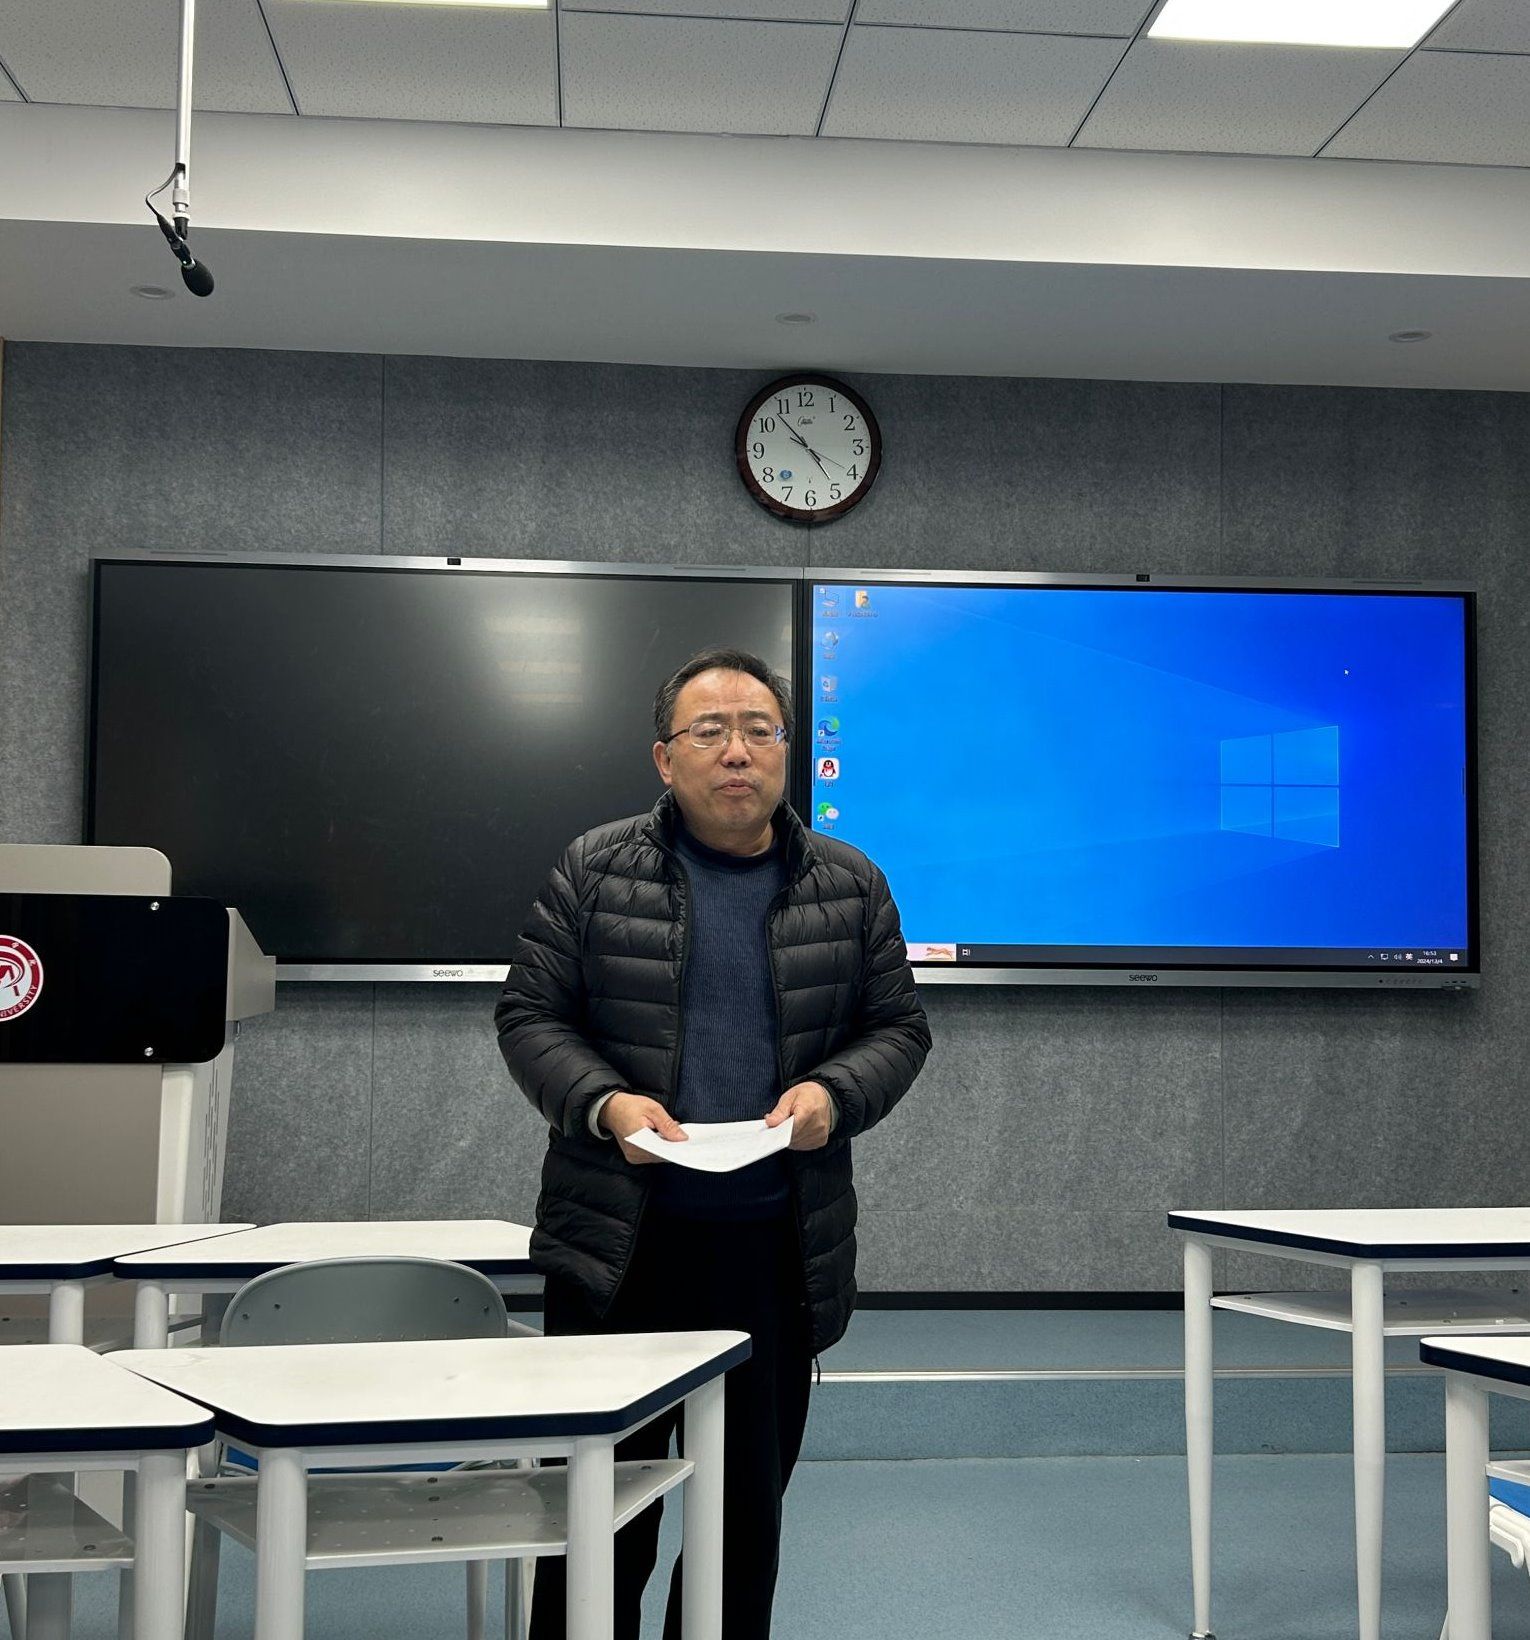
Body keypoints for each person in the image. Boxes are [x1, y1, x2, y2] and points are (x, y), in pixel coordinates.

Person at [494, 646, 930, 1640]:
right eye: (711, 731)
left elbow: (899, 1028)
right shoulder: (594, 867)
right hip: (619, 1249)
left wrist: (832, 1095)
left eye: (759, 730)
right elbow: (530, 1017)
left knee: (742, 1525)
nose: (738, 751)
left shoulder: (850, 883)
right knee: (598, 1520)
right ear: (665, 756)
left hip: (775, 1249)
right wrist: (608, 1105)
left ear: (787, 748)